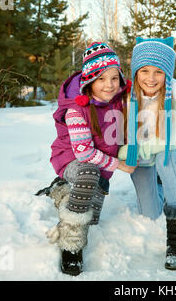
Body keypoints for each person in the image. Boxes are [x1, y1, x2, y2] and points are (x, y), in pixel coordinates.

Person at [46, 42, 134, 276]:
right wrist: (119, 165)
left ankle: (64, 191)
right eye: (102, 79)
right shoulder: (77, 109)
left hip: (100, 166)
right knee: (88, 175)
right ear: (89, 81)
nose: (109, 85)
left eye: (114, 78)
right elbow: (84, 153)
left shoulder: (118, 101)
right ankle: (70, 243)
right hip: (71, 159)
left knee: (92, 218)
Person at [118, 37, 176, 270]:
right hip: (142, 154)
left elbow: (167, 140)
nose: (151, 78)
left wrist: (137, 150)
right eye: (144, 71)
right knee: (150, 213)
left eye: (158, 72)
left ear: (167, 74)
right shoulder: (127, 96)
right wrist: (126, 153)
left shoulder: (175, 94)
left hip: (167, 148)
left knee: (166, 160)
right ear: (136, 71)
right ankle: (160, 185)